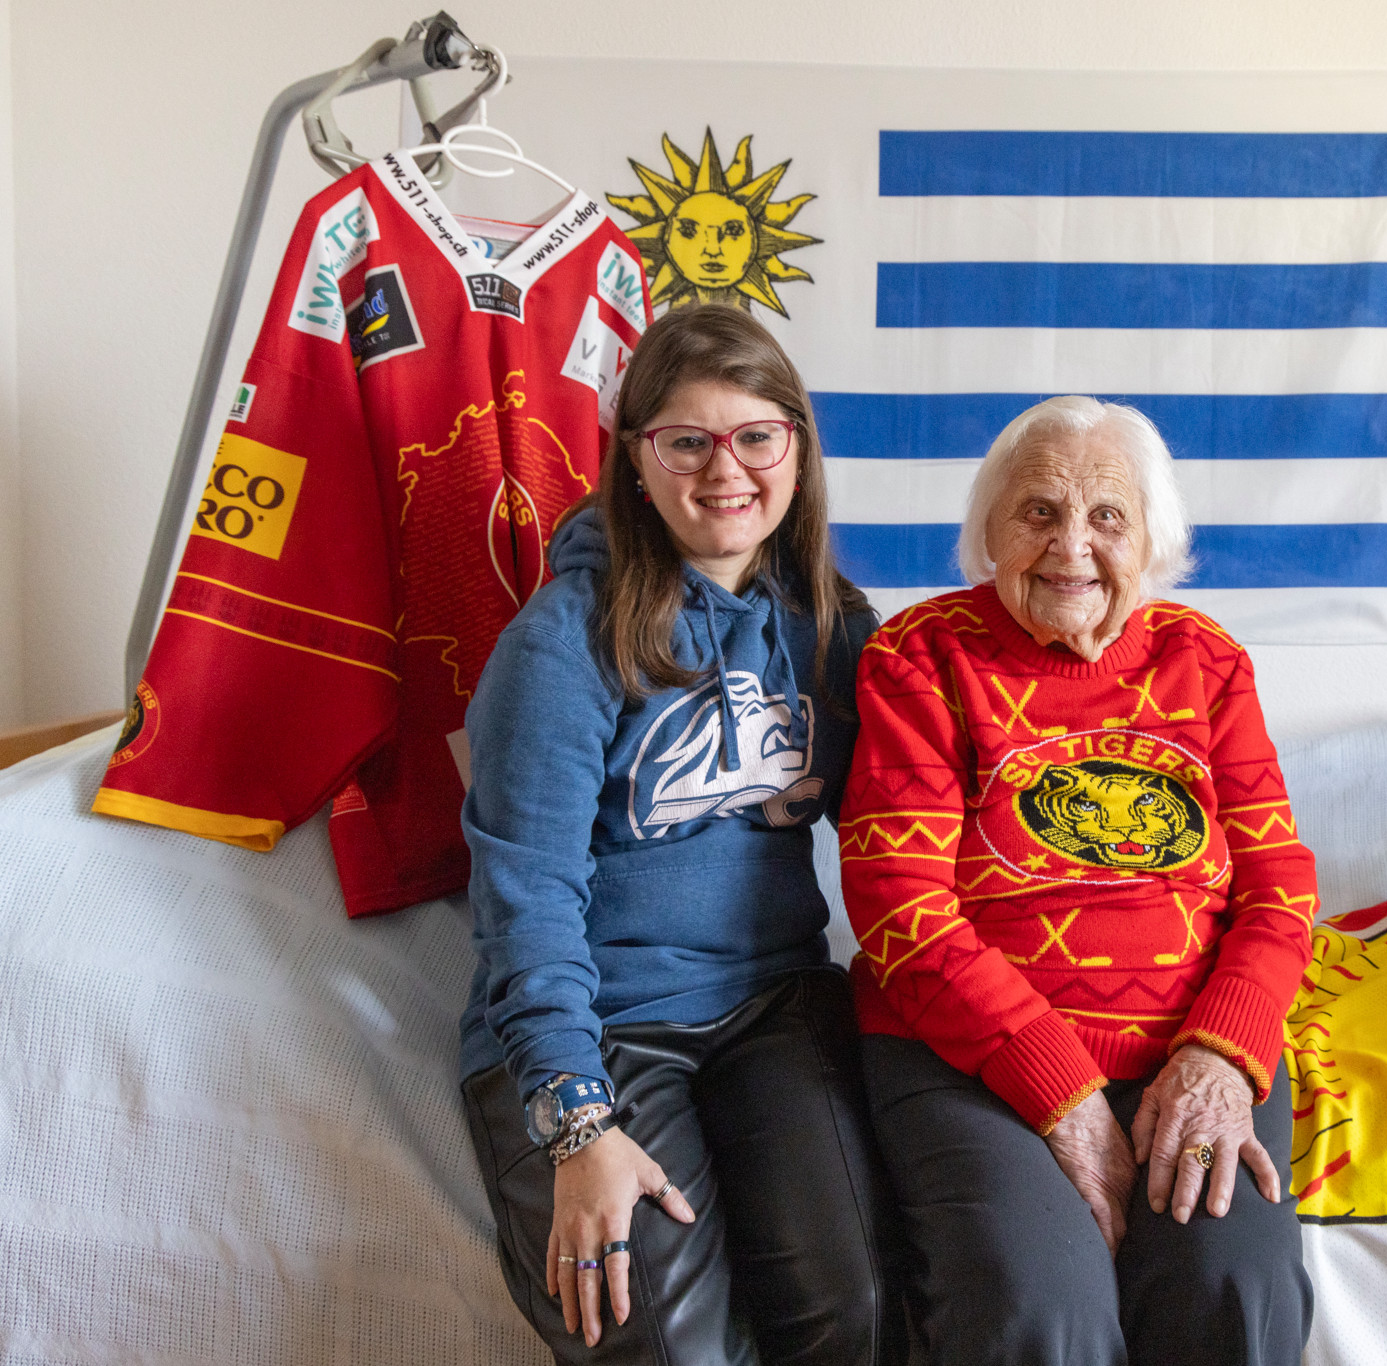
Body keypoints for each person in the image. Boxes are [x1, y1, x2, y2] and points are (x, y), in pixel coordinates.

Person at [458, 304, 900, 1365]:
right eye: (686, 441)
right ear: (636, 460)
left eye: (755, 435)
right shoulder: (563, 639)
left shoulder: (835, 627)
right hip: (601, 1026)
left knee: (864, 1315)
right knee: (662, 1348)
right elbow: (526, 900)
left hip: (773, 1008)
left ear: (795, 448)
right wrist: (576, 1125)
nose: (724, 470)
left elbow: (915, 838)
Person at [840, 396, 1316, 1365]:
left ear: (1151, 541)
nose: (1071, 545)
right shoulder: (919, 659)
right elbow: (900, 911)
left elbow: (1277, 885)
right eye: (1038, 512)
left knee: (1234, 1281)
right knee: (1036, 1306)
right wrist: (1062, 1096)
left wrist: (1221, 1053)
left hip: (1191, 1049)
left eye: (1106, 516)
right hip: (973, 1062)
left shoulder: (1206, 662)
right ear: (989, 531)